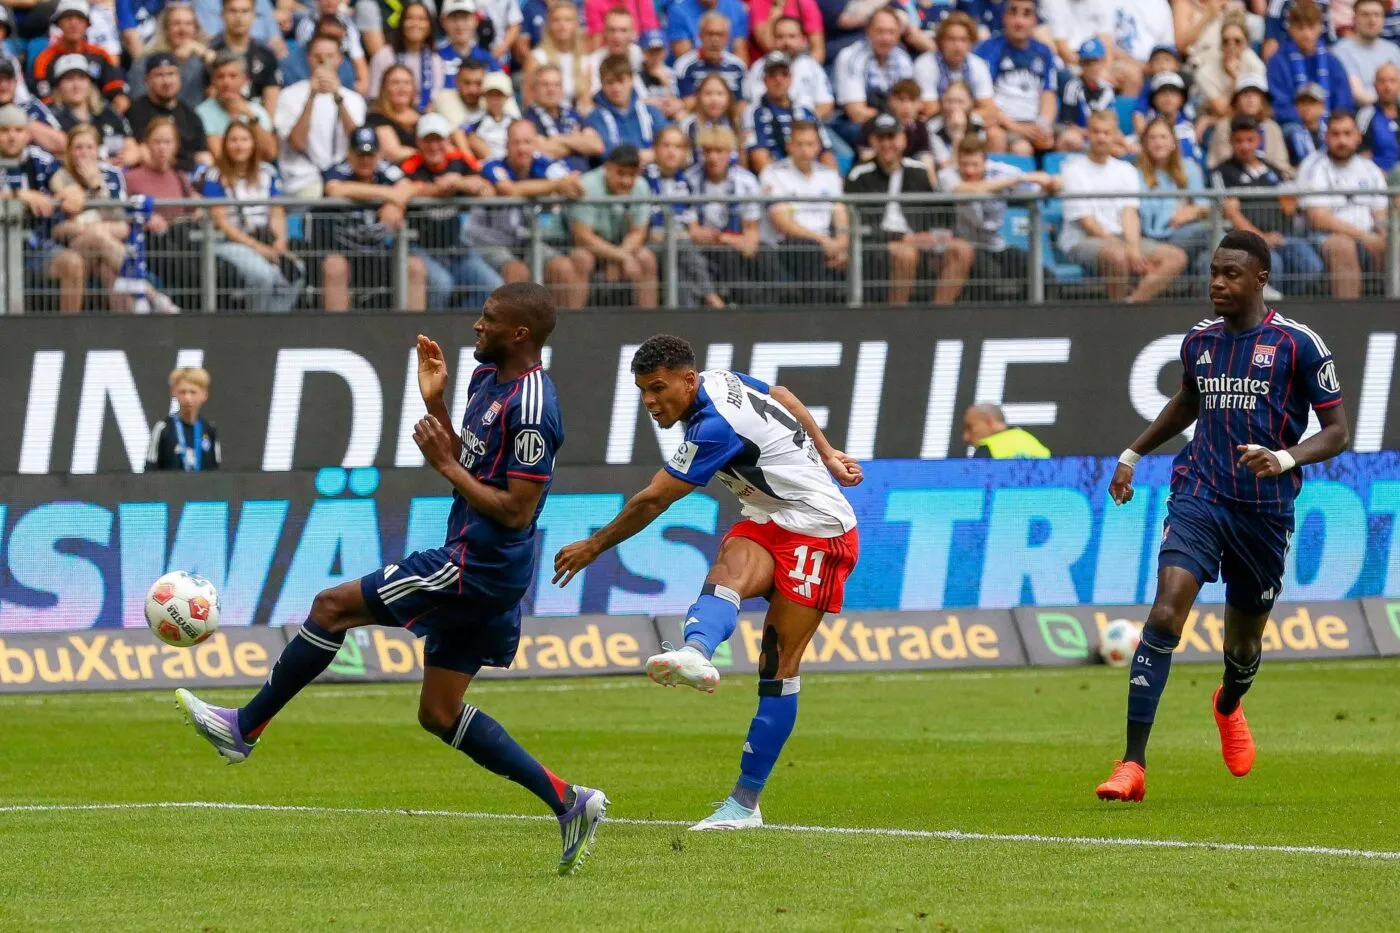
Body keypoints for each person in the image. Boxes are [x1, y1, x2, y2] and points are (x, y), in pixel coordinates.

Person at [177, 288, 611, 875]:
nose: (476, 325)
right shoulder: (487, 381)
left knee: (331, 607)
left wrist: (444, 463)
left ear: (520, 334)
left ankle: (243, 727)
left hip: (478, 565)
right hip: (482, 562)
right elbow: (472, 470)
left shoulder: (534, 405)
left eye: (489, 319)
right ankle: (569, 802)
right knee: (439, 712)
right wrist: (436, 405)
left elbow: (514, 510)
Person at [552, 334, 862, 829]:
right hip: (768, 517)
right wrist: (825, 452)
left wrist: (594, 546)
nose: (650, 401)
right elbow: (782, 394)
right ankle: (696, 653)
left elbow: (654, 499)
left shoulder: (715, 425)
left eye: (658, 388)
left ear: (688, 380)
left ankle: (745, 804)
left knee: (777, 665)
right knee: (727, 572)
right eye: (643, 391)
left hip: (820, 530)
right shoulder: (721, 381)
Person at [1095, 230, 1351, 804]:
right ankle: (1132, 764)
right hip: (1200, 494)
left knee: (1242, 647)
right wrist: (1132, 454)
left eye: (1231, 274)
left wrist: (1284, 458)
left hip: (1264, 512)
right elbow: (1189, 400)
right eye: (1214, 271)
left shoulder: (1299, 345)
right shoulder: (1199, 342)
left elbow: (1337, 432)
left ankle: (1229, 703)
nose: (1217, 282)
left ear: (1260, 280)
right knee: (1166, 612)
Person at [1059, 111, 1189, 303]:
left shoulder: (1126, 170)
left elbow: (1129, 214)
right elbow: (1088, 224)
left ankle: (1130, 305)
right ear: (1088, 134)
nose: (1101, 137)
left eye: (1106, 132)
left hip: (1121, 239)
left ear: (1115, 135)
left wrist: (1134, 248)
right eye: (1096, 132)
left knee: (1175, 257)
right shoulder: (1073, 169)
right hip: (1081, 240)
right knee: (1118, 256)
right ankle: (1117, 314)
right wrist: (1126, 250)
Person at [845, 113, 974, 305]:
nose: (887, 144)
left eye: (892, 137)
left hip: (918, 239)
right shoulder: (859, 175)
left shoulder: (918, 171)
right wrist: (904, 238)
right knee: (906, 254)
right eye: (881, 138)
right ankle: (898, 316)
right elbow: (860, 224)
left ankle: (939, 313)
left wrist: (937, 234)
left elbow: (935, 213)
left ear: (903, 139)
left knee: (962, 250)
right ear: (873, 141)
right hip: (878, 245)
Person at [50, 124, 178, 313]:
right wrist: (93, 228)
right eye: (78, 147)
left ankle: (129, 324)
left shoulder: (112, 175)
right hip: (72, 249)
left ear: (97, 150)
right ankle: (153, 296)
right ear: (69, 151)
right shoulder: (60, 177)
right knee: (98, 236)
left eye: (89, 147)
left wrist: (97, 188)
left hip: (106, 249)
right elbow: (59, 230)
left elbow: (122, 223)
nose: (84, 153)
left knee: (108, 268)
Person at [468, 119, 589, 307]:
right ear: (507, 145)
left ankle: (568, 324)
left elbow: (576, 187)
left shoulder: (544, 164)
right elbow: (509, 190)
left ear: (535, 144)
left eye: (527, 142)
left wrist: (569, 184)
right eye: (516, 142)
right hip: (490, 242)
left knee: (563, 268)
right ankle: (519, 326)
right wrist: (556, 185)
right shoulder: (493, 165)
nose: (522, 148)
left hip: (525, 241)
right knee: (517, 272)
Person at [1211, 114, 1325, 296]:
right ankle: (1267, 310)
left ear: (1259, 140)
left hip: (1282, 237)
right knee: (1272, 265)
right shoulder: (1221, 173)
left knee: (1311, 264)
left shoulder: (1273, 170)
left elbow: (1289, 203)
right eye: (1239, 141)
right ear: (1231, 141)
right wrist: (1261, 238)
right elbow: (1231, 213)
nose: (1245, 146)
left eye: (1250, 140)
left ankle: (1287, 304)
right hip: (1248, 243)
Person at [399, 112, 502, 310]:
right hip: (420, 247)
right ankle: (434, 329)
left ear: (447, 141)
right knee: (441, 284)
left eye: (438, 140)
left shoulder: (459, 161)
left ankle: (464, 326)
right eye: (428, 140)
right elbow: (406, 190)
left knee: (492, 286)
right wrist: (442, 189)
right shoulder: (410, 164)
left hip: (455, 247)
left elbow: (487, 188)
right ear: (418, 142)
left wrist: (459, 182)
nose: (434, 146)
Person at [318, 125, 427, 310]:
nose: (366, 160)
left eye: (370, 154)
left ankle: (413, 328)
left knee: (415, 266)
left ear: (379, 154)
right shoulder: (339, 170)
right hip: (345, 252)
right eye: (360, 154)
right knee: (334, 266)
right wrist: (390, 195)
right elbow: (335, 189)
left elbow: (409, 187)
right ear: (350, 154)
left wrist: (395, 205)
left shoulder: (386, 169)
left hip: (381, 253)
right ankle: (337, 328)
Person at [201, 119, 303, 313]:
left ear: (253, 143)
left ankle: (277, 321)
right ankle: (256, 324)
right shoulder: (214, 175)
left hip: (265, 239)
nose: (239, 145)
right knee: (262, 275)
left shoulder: (268, 172)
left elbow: (277, 212)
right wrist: (259, 249)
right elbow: (222, 222)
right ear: (225, 144)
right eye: (233, 140)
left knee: (296, 269)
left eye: (244, 139)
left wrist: (280, 244)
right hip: (230, 242)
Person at [939, 134, 1055, 297]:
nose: (969, 170)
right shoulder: (947, 175)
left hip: (996, 244)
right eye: (964, 164)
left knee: (1043, 276)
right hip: (965, 246)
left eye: (975, 165)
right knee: (990, 275)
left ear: (985, 162)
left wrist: (1052, 183)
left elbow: (1040, 188)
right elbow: (969, 190)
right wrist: (1017, 179)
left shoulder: (1001, 171)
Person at [685, 124, 782, 305]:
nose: (713, 157)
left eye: (719, 151)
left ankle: (776, 304)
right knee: (727, 256)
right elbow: (694, 231)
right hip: (705, 248)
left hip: (733, 241)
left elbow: (751, 232)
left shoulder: (746, 181)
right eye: (708, 151)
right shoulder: (689, 180)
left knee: (766, 255)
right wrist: (720, 240)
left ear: (730, 152)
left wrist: (726, 239)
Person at [0, 104, 85, 312]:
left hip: (34, 249)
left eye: (18, 130)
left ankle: (69, 329)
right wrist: (21, 195)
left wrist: (62, 195)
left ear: (28, 134)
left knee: (71, 263)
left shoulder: (39, 159)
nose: (12, 137)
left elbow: (76, 197)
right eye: (4, 130)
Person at [1298, 110, 1389, 298]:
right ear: (1326, 137)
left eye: (1347, 134)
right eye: (1335, 134)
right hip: (1323, 237)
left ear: (1358, 136)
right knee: (1342, 246)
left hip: (1368, 236)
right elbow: (1318, 218)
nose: (1342, 140)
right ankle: (1348, 314)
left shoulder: (1370, 169)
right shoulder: (1313, 166)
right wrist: (1364, 236)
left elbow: (1380, 213)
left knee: (1395, 243)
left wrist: (1383, 235)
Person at [759, 119, 848, 302]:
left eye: (810, 144)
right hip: (788, 245)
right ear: (789, 146)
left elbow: (840, 211)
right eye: (799, 144)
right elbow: (782, 222)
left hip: (826, 243)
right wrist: (823, 242)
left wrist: (841, 243)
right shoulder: (773, 173)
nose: (805, 150)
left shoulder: (829, 174)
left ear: (818, 146)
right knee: (809, 249)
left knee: (865, 251)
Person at [276, 34, 368, 198]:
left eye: (330, 56)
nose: (323, 61)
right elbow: (297, 142)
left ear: (340, 59)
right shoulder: (288, 95)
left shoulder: (353, 99)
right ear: (308, 58)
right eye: (318, 56)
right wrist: (311, 96)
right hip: (302, 179)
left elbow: (357, 141)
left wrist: (338, 99)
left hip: (342, 178)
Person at [643, 124, 725, 308]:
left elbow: (691, 226)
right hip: (649, 245)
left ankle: (684, 318)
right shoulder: (643, 179)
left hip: (677, 246)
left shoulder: (685, 183)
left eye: (678, 147)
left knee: (681, 274)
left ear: (685, 152)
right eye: (666, 146)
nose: (671, 152)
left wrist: (703, 234)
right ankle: (712, 296)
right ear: (655, 149)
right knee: (684, 248)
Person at [124, 117, 202, 304]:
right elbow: (120, 211)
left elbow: (195, 204)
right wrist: (145, 219)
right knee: (188, 272)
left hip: (182, 239)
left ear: (175, 145)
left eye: (167, 142)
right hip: (153, 244)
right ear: (146, 144)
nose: (162, 148)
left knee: (223, 269)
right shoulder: (131, 178)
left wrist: (199, 207)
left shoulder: (179, 176)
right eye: (157, 142)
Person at [569, 143, 657, 305]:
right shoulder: (587, 185)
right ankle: (575, 320)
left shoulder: (641, 186)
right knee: (582, 259)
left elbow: (638, 232)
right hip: (581, 247)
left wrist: (620, 256)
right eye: (621, 173)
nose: (626, 181)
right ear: (607, 168)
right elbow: (582, 237)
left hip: (619, 246)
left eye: (632, 175)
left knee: (646, 258)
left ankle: (649, 319)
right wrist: (621, 257)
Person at [1266, 0, 1355, 161]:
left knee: (1343, 131)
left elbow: (1343, 100)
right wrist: (1307, 117)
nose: (1306, 34)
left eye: (1311, 27)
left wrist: (1329, 122)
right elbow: (1278, 102)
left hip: (1331, 124)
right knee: (1295, 133)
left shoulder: (1332, 61)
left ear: (1320, 27)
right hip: (1294, 125)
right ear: (1290, 29)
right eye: (1300, 28)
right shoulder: (1278, 61)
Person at [974, 0, 1057, 157]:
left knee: (1070, 140)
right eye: (1013, 12)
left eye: (1026, 14)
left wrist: (1043, 126)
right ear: (1004, 17)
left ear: (1035, 20)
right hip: (1003, 123)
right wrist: (1017, 128)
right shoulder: (986, 49)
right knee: (1021, 148)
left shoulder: (1044, 52)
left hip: (1034, 123)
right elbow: (983, 101)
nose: (1019, 22)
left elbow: (1049, 94)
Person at [1136, 116, 1212, 275]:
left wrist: (1193, 211)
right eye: (1152, 138)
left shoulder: (1189, 167)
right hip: (1151, 236)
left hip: (1183, 232)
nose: (1158, 142)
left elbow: (1205, 205)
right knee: (1210, 231)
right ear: (1145, 144)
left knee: (1207, 259)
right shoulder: (1135, 172)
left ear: (1173, 143)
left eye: (1163, 137)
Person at [743, 51, 835, 174]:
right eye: (772, 75)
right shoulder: (754, 112)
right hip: (774, 177)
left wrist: (832, 178)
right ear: (764, 80)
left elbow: (825, 152)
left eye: (784, 74)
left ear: (791, 78)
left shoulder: (805, 110)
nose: (779, 80)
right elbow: (759, 158)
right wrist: (785, 181)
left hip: (809, 175)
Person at [831, 8, 914, 146]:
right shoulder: (850, 57)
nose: (886, 38)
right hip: (853, 124)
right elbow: (856, 113)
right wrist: (894, 117)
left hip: (893, 120)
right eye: (880, 31)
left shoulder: (903, 59)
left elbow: (911, 103)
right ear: (868, 31)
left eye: (891, 32)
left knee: (918, 130)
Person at [913, 11, 998, 141]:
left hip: (969, 125)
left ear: (971, 43)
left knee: (995, 134)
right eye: (952, 39)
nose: (958, 46)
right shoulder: (926, 64)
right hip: (935, 127)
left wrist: (962, 119)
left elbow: (989, 110)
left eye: (963, 40)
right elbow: (929, 110)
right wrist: (958, 119)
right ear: (941, 41)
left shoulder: (978, 65)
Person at [32, 0, 129, 112]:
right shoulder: (44, 59)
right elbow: (43, 98)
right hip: (59, 114)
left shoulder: (100, 55)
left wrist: (118, 100)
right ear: (59, 24)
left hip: (97, 112)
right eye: (68, 18)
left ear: (87, 24)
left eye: (79, 19)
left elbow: (115, 89)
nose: (73, 24)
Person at [127, 52, 210, 172]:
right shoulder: (136, 111)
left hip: (187, 176)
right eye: (159, 75)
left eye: (171, 74)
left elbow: (202, 153)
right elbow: (145, 154)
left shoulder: (190, 115)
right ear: (147, 79)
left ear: (179, 77)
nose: (166, 81)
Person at [49, 53, 138, 165]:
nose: (76, 85)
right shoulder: (51, 119)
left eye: (81, 78)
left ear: (90, 83)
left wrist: (123, 160)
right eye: (69, 79)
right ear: (58, 86)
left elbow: (132, 147)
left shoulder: (108, 113)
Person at [746, 16, 834, 122]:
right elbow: (753, 103)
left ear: (802, 39)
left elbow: (826, 105)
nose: (786, 42)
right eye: (780, 37)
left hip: (808, 125)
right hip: (767, 124)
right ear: (773, 39)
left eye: (792, 36)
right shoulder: (759, 67)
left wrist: (803, 124)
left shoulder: (812, 67)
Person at [128, 4, 213, 109]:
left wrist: (202, 52)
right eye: (176, 24)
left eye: (188, 24)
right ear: (166, 29)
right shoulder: (145, 62)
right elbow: (139, 101)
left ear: (196, 29)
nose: (183, 29)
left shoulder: (202, 59)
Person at [583, 53, 666, 160]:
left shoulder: (651, 112)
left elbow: (668, 143)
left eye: (621, 81)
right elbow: (607, 153)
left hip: (654, 168)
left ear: (631, 80)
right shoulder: (595, 118)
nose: (616, 88)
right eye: (609, 82)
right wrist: (643, 156)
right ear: (602, 83)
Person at [198, 51, 278, 161]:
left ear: (245, 79)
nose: (227, 82)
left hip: (257, 169)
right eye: (220, 76)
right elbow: (219, 156)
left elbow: (271, 154)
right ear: (213, 81)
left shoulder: (257, 111)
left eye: (233, 76)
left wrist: (251, 117)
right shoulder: (201, 113)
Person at [209, 0, 282, 115]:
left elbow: (271, 101)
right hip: (219, 119)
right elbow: (209, 96)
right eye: (233, 11)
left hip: (256, 120)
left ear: (254, 15)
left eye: (245, 11)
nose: (239, 17)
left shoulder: (266, 55)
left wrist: (264, 123)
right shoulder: (211, 52)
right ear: (222, 14)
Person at [1206, 73, 1292, 171]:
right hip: (1232, 177)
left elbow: (1281, 164)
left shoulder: (1272, 127)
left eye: (1256, 95)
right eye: (1245, 94)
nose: (1250, 99)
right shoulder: (1224, 126)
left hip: (1269, 177)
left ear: (1263, 100)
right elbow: (1223, 161)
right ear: (1236, 101)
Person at [1191, 12, 1267, 121]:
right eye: (1226, 41)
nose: (1231, 46)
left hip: (1243, 120)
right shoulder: (1205, 72)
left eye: (1237, 41)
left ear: (1246, 44)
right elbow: (1223, 112)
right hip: (1212, 116)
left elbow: (1260, 109)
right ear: (1220, 45)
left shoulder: (1256, 66)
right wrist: (1234, 80)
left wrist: (1211, 120)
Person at [524, 63, 602, 171]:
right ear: (534, 89)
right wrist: (579, 142)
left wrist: (558, 139)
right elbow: (541, 151)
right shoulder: (528, 119)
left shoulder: (572, 113)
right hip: (554, 178)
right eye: (545, 85)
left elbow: (597, 146)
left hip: (585, 176)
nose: (552, 90)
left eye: (557, 85)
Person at [368, 1, 446, 103]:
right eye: (410, 18)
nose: (415, 24)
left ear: (430, 25)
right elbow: (375, 97)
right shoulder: (383, 56)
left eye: (421, 19)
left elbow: (435, 99)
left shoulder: (435, 60)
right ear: (402, 23)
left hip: (425, 111)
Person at [146, 367, 222, 471]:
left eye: (193, 392)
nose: (187, 398)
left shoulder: (209, 429)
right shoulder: (163, 428)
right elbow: (149, 471)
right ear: (173, 393)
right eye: (182, 392)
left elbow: (216, 471)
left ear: (204, 394)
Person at [293, 0, 370, 95]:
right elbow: (304, 60)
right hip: (309, 77)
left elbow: (359, 62)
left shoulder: (349, 25)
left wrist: (356, 92)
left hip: (342, 78)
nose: (329, 2)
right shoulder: (306, 25)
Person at [527, 0, 590, 112]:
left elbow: (586, 102)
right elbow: (529, 100)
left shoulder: (584, 59)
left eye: (568, 20)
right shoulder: (537, 58)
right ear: (548, 25)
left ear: (576, 24)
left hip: (575, 117)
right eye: (556, 20)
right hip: (543, 117)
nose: (562, 25)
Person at [674, 12, 747, 106]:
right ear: (700, 35)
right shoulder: (684, 65)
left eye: (720, 34)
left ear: (728, 38)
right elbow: (687, 103)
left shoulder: (738, 66)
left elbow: (742, 104)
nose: (714, 40)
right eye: (710, 34)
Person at [1335, 0, 1400, 105]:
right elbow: (1357, 93)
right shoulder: (1341, 50)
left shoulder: (1393, 50)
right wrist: (1386, 106)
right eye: (1365, 15)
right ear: (1354, 19)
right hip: (1360, 110)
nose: (1372, 20)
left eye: (1377, 15)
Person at [1056, 37, 1116, 152]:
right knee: (1071, 139)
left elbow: (1111, 122)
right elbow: (1067, 123)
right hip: (1081, 135)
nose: (1092, 67)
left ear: (1103, 62)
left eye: (1096, 61)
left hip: (1102, 136)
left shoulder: (1107, 89)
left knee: (1123, 147)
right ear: (1080, 64)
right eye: (1087, 63)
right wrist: (1093, 134)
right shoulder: (1073, 87)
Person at [0, 60, 66, 154]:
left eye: (7, 79)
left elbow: (62, 143)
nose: (2, 85)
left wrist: (19, 119)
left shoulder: (31, 107)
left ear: (15, 82)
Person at [366, 63, 424, 164]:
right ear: (385, 87)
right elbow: (394, 153)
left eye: (407, 83)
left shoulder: (424, 117)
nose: (402, 88)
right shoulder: (376, 118)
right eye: (395, 83)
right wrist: (428, 154)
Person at [665, 0, 750, 61]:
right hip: (696, 71)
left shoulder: (736, 7)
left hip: (728, 70)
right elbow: (684, 58)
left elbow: (740, 54)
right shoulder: (679, 11)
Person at [961, 402, 1050, 458]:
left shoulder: (986, 449)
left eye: (970, 427)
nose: (966, 437)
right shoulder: (1029, 440)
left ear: (989, 422)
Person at [436, 0, 495, 82]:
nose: (460, 25)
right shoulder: (436, 57)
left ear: (475, 20)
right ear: (443, 22)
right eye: (454, 18)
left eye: (465, 18)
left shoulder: (488, 59)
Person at [1359, 62, 1400, 179]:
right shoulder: (1366, 114)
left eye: (1392, 81)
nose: (1387, 86)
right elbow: (1362, 155)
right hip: (1378, 180)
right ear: (1374, 85)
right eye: (1382, 81)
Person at [463, 70, 515, 160]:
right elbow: (458, 134)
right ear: (485, 96)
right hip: (486, 164)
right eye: (491, 95)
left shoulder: (515, 122)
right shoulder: (474, 120)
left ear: (507, 97)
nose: (495, 101)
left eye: (499, 96)